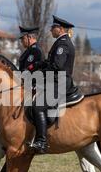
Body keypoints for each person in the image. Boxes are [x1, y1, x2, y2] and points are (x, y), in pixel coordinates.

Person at [30, 15, 80, 153]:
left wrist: (41, 72)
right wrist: (40, 64)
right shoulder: (60, 42)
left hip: (59, 82)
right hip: (55, 80)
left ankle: (42, 141)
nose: (51, 30)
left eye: (53, 28)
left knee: (38, 106)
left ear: (60, 29)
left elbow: (57, 66)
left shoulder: (63, 44)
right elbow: (52, 62)